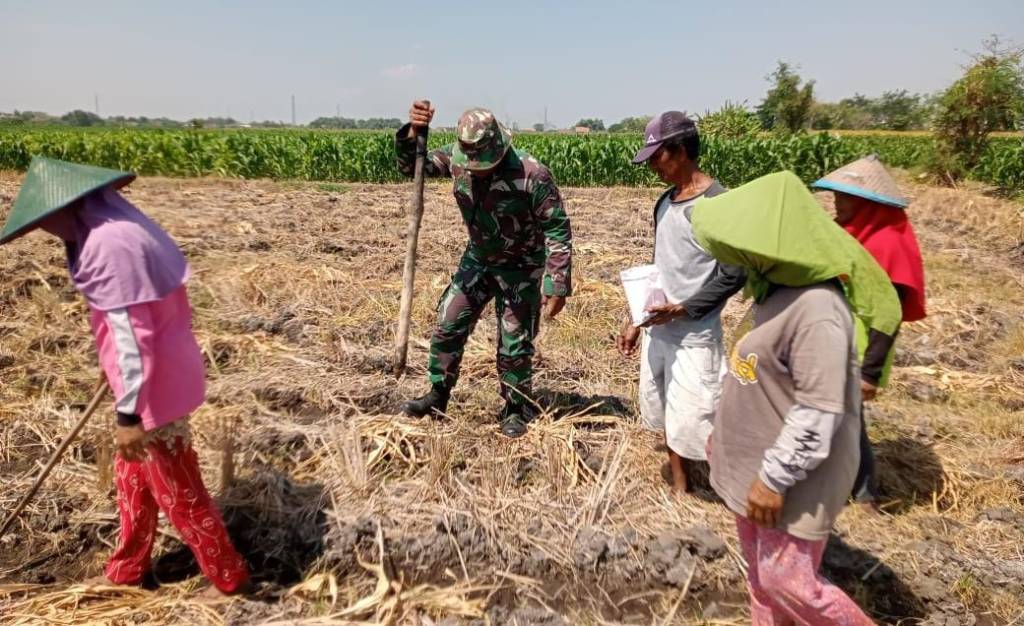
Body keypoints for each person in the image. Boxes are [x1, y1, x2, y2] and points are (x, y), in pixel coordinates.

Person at [0, 157, 249, 595]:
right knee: (132, 479)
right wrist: (111, 371)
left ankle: (229, 577)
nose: (45, 229)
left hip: (153, 390)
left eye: (45, 221)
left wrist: (128, 414)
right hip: (157, 373)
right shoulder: (120, 228)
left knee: (180, 492)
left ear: (67, 207)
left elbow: (134, 337)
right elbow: (130, 327)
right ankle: (129, 567)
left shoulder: (107, 246)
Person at [693, 171, 901, 624]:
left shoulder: (818, 310)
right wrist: (719, 436)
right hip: (754, 464)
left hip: (790, 476)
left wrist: (773, 479)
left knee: (789, 582)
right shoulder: (774, 292)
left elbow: (818, 409)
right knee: (761, 580)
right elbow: (751, 376)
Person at [395, 101, 573, 438]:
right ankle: (437, 395)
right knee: (449, 323)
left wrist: (557, 280)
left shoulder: (532, 174)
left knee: (514, 344)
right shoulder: (457, 158)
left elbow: (557, 228)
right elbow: (412, 167)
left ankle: (515, 407)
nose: (475, 169)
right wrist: (413, 133)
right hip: (478, 258)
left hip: (521, 267)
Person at [615, 111, 745, 493]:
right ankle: (680, 484)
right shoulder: (665, 203)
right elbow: (661, 268)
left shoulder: (718, 205)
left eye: (659, 156)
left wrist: (685, 308)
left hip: (695, 334)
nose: (654, 165)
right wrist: (635, 319)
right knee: (667, 407)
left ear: (682, 150)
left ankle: (731, 479)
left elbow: (734, 274)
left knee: (697, 413)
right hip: (660, 330)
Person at [812, 154, 926, 504]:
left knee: (847, 423)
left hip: (863, 349)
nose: (837, 204)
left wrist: (870, 373)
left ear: (865, 202)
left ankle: (863, 495)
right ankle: (844, 488)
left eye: (843, 198)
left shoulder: (888, 242)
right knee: (840, 418)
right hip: (839, 339)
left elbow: (888, 315)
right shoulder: (854, 233)